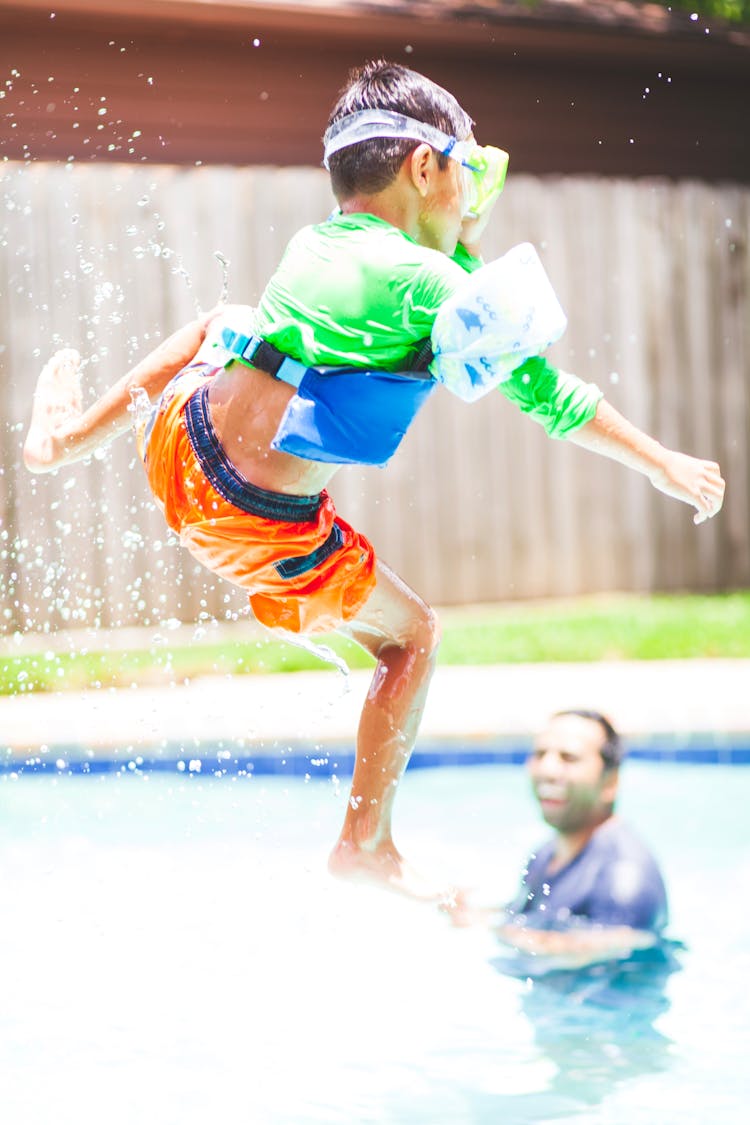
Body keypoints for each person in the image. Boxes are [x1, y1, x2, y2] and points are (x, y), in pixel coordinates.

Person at [23, 61, 724, 902]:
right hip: (254, 519)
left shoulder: (317, 244)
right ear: (424, 169)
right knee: (415, 638)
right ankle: (366, 841)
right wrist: (666, 464)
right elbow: (553, 398)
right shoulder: (431, 285)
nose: (472, 199)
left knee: (229, 323)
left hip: (177, 443)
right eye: (465, 174)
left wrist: (454, 246)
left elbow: (385, 297)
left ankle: (62, 441)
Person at [446, 710, 673, 966]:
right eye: (540, 754)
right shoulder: (546, 854)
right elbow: (526, 917)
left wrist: (489, 928)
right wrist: (469, 911)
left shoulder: (625, 876)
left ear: (611, 781)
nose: (547, 769)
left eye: (569, 758)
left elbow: (604, 950)